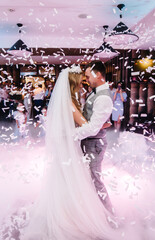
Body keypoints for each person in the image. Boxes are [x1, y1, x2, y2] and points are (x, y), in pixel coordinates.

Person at [23, 65, 117, 240]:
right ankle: (86, 214)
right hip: (76, 143)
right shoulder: (71, 102)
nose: (85, 82)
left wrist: (95, 126)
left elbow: (87, 125)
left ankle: (106, 213)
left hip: (85, 143)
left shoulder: (91, 98)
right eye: (82, 80)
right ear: (74, 83)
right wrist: (99, 126)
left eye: (87, 77)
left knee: (86, 179)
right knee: (79, 179)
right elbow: (86, 126)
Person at [74, 61, 114, 214]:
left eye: (87, 76)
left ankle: (110, 214)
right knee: (88, 179)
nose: (86, 79)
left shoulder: (103, 97)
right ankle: (93, 212)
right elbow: (96, 122)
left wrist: (71, 135)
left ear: (98, 74)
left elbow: (92, 128)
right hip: (90, 141)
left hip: (94, 144)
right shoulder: (95, 91)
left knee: (95, 181)